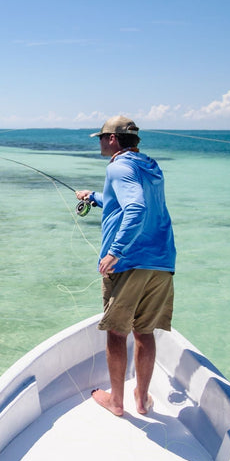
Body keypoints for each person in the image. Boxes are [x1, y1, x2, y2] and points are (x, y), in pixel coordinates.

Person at [75, 116, 176, 417]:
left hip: (129, 262)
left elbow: (136, 207)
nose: (100, 142)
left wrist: (115, 252)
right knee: (144, 331)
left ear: (113, 139)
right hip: (161, 262)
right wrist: (93, 197)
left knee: (117, 333)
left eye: (102, 137)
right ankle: (142, 401)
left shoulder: (118, 167)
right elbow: (127, 200)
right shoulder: (150, 166)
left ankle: (117, 402)